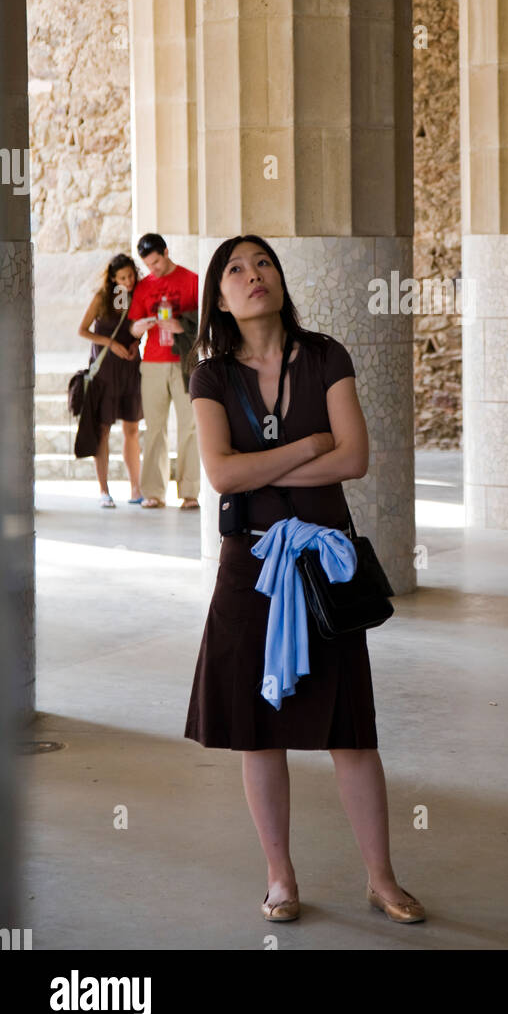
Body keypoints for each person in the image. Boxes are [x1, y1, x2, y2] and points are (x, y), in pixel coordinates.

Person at [184, 235, 425, 924]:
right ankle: (280, 879)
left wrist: (267, 462)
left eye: (262, 263)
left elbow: (353, 459)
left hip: (325, 565)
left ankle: (381, 879)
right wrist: (306, 446)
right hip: (251, 569)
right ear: (219, 298)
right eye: (235, 269)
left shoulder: (326, 356)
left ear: (279, 280)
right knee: (258, 731)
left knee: (350, 730)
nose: (252, 275)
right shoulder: (209, 377)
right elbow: (221, 475)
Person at [127, 233, 200, 510]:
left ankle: (190, 492)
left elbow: (203, 321)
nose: (153, 269)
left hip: (185, 362)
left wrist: (181, 326)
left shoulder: (191, 280)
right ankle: (154, 492)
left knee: (190, 426)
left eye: (156, 262)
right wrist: (141, 326)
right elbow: (132, 328)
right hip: (154, 362)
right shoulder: (144, 287)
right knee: (155, 427)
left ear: (166, 252)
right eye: (148, 265)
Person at [77, 253, 143, 508]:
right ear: (113, 278)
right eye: (123, 277)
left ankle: (136, 488)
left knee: (132, 429)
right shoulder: (102, 299)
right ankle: (104, 490)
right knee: (103, 430)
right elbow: (82, 330)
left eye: (131, 275)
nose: (128, 281)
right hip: (104, 371)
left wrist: (137, 344)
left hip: (130, 368)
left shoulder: (138, 296)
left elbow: (141, 328)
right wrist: (111, 343)